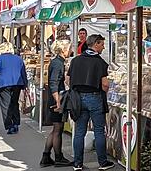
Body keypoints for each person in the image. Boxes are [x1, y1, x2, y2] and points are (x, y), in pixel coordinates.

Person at [67, 34, 114, 170]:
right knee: (99, 131)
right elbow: (105, 84)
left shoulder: (75, 60)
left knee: (79, 132)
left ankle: (77, 163)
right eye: (102, 44)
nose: (104, 47)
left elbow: (68, 80)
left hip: (78, 99)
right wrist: (105, 90)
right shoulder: (100, 62)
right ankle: (102, 163)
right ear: (95, 44)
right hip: (94, 97)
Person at [41, 39, 72, 167]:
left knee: (55, 129)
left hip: (54, 97)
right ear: (63, 50)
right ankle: (58, 157)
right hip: (56, 98)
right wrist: (58, 101)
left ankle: (46, 156)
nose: (70, 50)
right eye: (69, 48)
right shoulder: (58, 63)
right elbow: (53, 83)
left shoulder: (57, 62)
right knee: (58, 129)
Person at [0, 42, 28, 134]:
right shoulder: (18, 58)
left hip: (3, 83)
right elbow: (23, 72)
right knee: (14, 103)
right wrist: (25, 84)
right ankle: (16, 124)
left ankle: (9, 125)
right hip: (17, 83)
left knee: (5, 105)